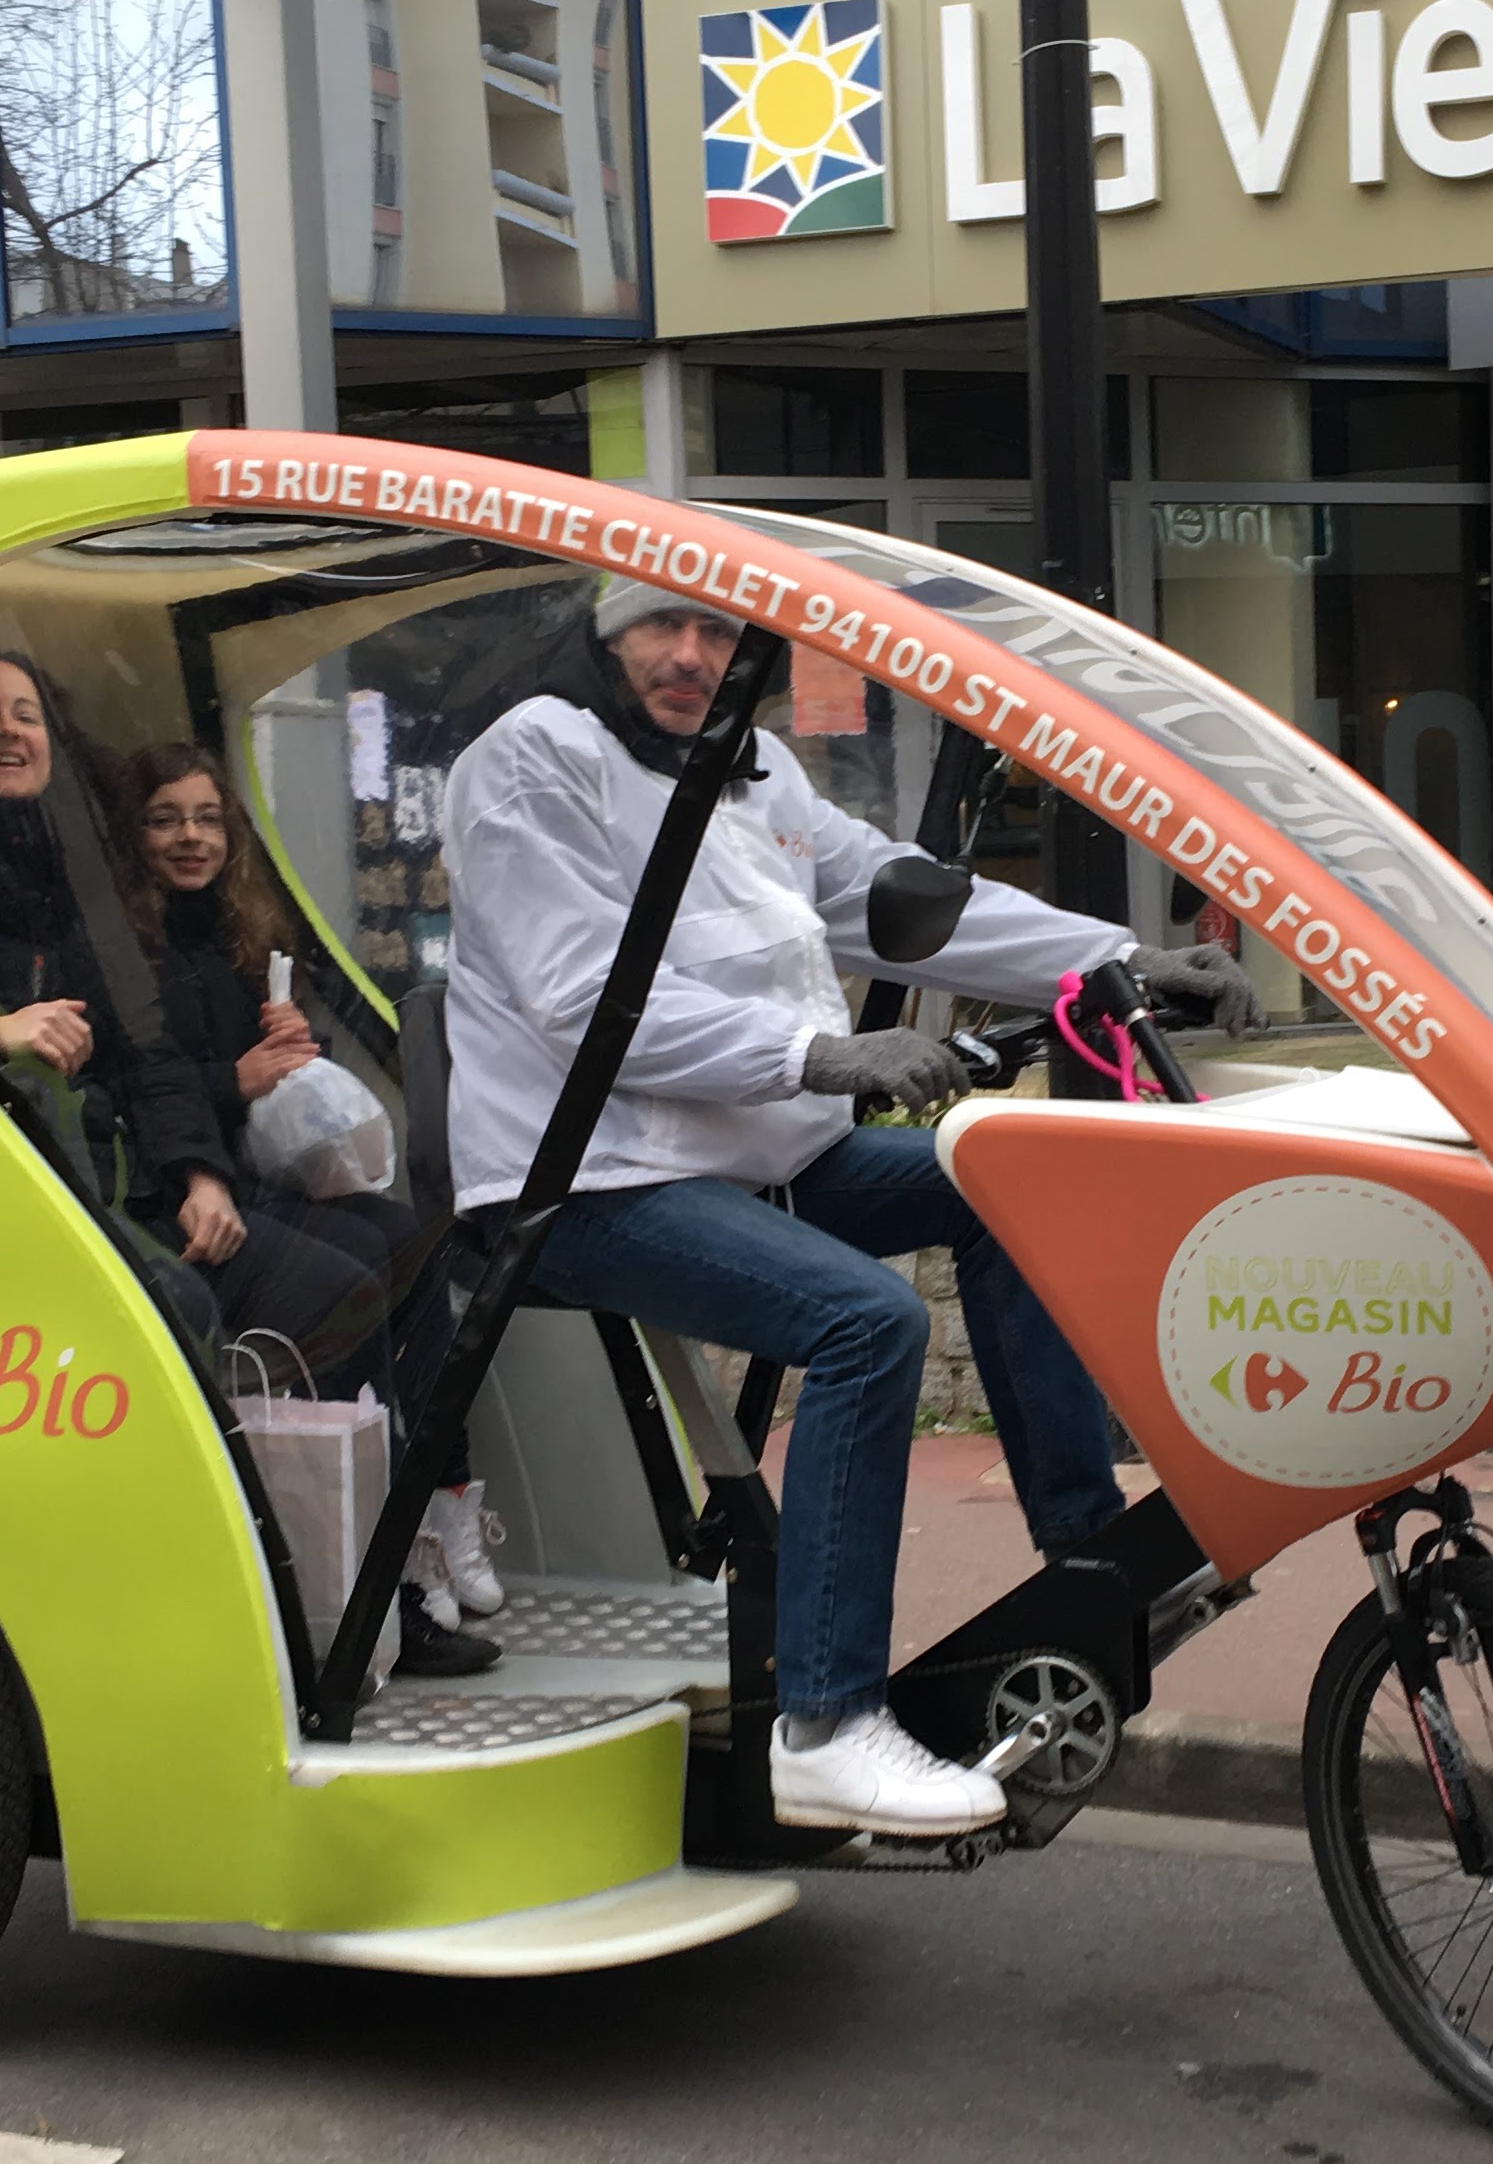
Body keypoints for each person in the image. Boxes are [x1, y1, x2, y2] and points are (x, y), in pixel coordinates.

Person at [441, 577, 1260, 1840]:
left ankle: (1089, 1558)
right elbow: (581, 999)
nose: (688, 652)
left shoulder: (752, 769)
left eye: (716, 631)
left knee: (1013, 1180)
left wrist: (1120, 963)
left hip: (762, 1153)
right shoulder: (538, 758)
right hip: (588, 1176)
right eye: (656, 626)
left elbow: (907, 904)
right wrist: (820, 1059)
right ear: (597, 639)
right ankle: (825, 1726)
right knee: (864, 1324)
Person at [114, 744, 501, 1676]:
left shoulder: (230, 930)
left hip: (236, 1174)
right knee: (342, 1287)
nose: (191, 838)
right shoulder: (123, 942)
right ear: (132, 836)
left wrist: (292, 1048)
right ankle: (372, 1584)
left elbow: (241, 1070)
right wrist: (234, 1079)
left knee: (412, 1239)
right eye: (166, 819)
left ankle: (439, 1491)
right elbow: (135, 1083)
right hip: (162, 1192)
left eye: (208, 819)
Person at [0, 646, 216, 1222]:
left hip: (113, 1182)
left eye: (26, 715)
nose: (7, 731)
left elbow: (148, 1046)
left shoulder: (84, 874)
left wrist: (200, 1175)